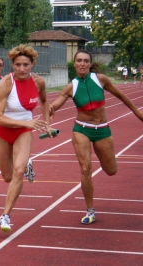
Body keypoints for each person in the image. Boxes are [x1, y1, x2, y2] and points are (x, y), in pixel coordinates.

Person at [49, 50, 143, 225]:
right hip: (81, 129)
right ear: (75, 63)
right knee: (85, 169)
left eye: (85, 61)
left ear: (89, 63)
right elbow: (57, 103)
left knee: (111, 170)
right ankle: (90, 210)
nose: (82, 64)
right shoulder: (71, 87)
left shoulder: (101, 79)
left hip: (102, 130)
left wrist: (137, 112)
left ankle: (103, 161)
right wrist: (51, 108)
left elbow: (121, 95)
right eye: (79, 61)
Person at [0, 45, 54, 233]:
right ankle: (27, 165)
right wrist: (26, 124)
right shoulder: (6, 83)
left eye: (25, 65)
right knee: (8, 177)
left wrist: (46, 122)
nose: (21, 68)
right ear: (12, 65)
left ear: (32, 64)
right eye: (17, 64)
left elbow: (44, 102)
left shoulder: (39, 83)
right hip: (3, 130)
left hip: (23, 132)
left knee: (18, 172)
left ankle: (5, 215)